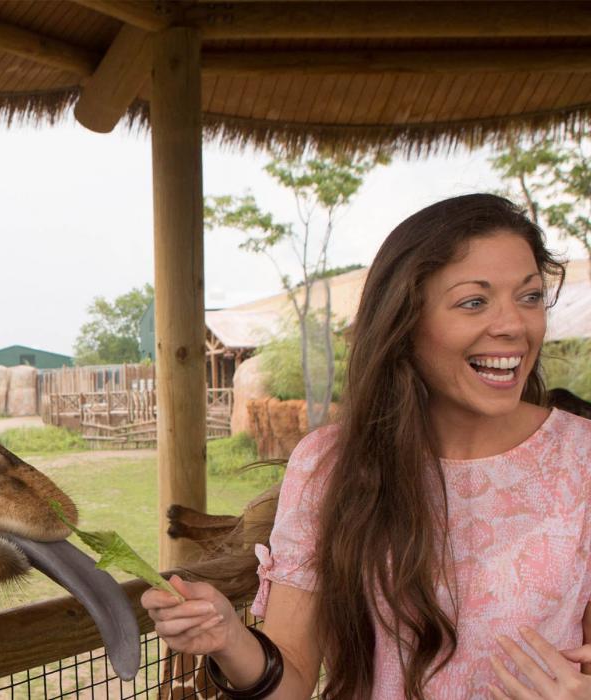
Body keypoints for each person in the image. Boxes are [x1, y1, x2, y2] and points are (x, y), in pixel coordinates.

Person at [142, 194, 591, 699]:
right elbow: (290, 678)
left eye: (530, 297)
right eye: (474, 301)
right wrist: (228, 638)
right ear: (406, 320)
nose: (514, 325)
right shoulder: (328, 466)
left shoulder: (582, 462)